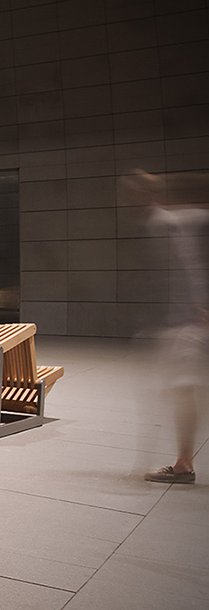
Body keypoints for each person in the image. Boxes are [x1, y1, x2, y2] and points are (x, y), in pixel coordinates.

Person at [128, 170, 209, 484]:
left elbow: (185, 265)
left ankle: (183, 465)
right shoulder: (160, 221)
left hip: (182, 324)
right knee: (178, 391)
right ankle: (182, 462)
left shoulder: (163, 222)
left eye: (132, 192)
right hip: (177, 322)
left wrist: (198, 305)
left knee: (181, 390)